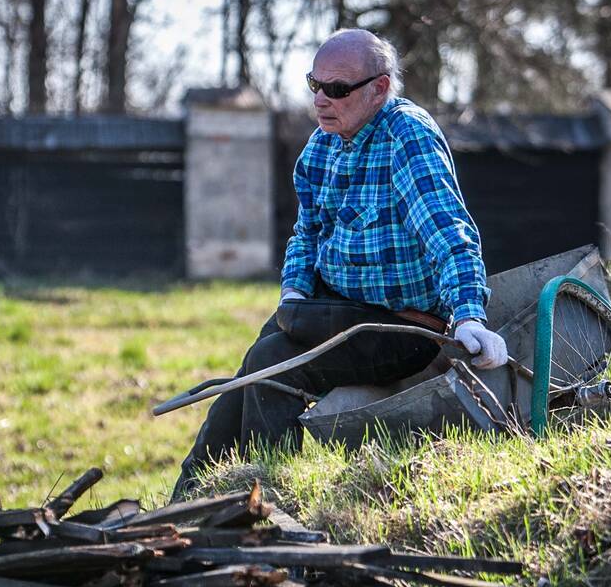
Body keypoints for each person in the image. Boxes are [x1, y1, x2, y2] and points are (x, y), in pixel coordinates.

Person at [171, 29, 507, 501]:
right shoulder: (320, 148)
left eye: (337, 89)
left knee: (274, 363)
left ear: (380, 88)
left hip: (401, 326)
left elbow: (448, 231)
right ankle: (186, 503)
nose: (321, 100)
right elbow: (306, 235)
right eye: (315, 84)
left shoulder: (406, 136)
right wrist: (294, 292)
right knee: (252, 367)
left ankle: (271, 506)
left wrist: (470, 313)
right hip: (330, 308)